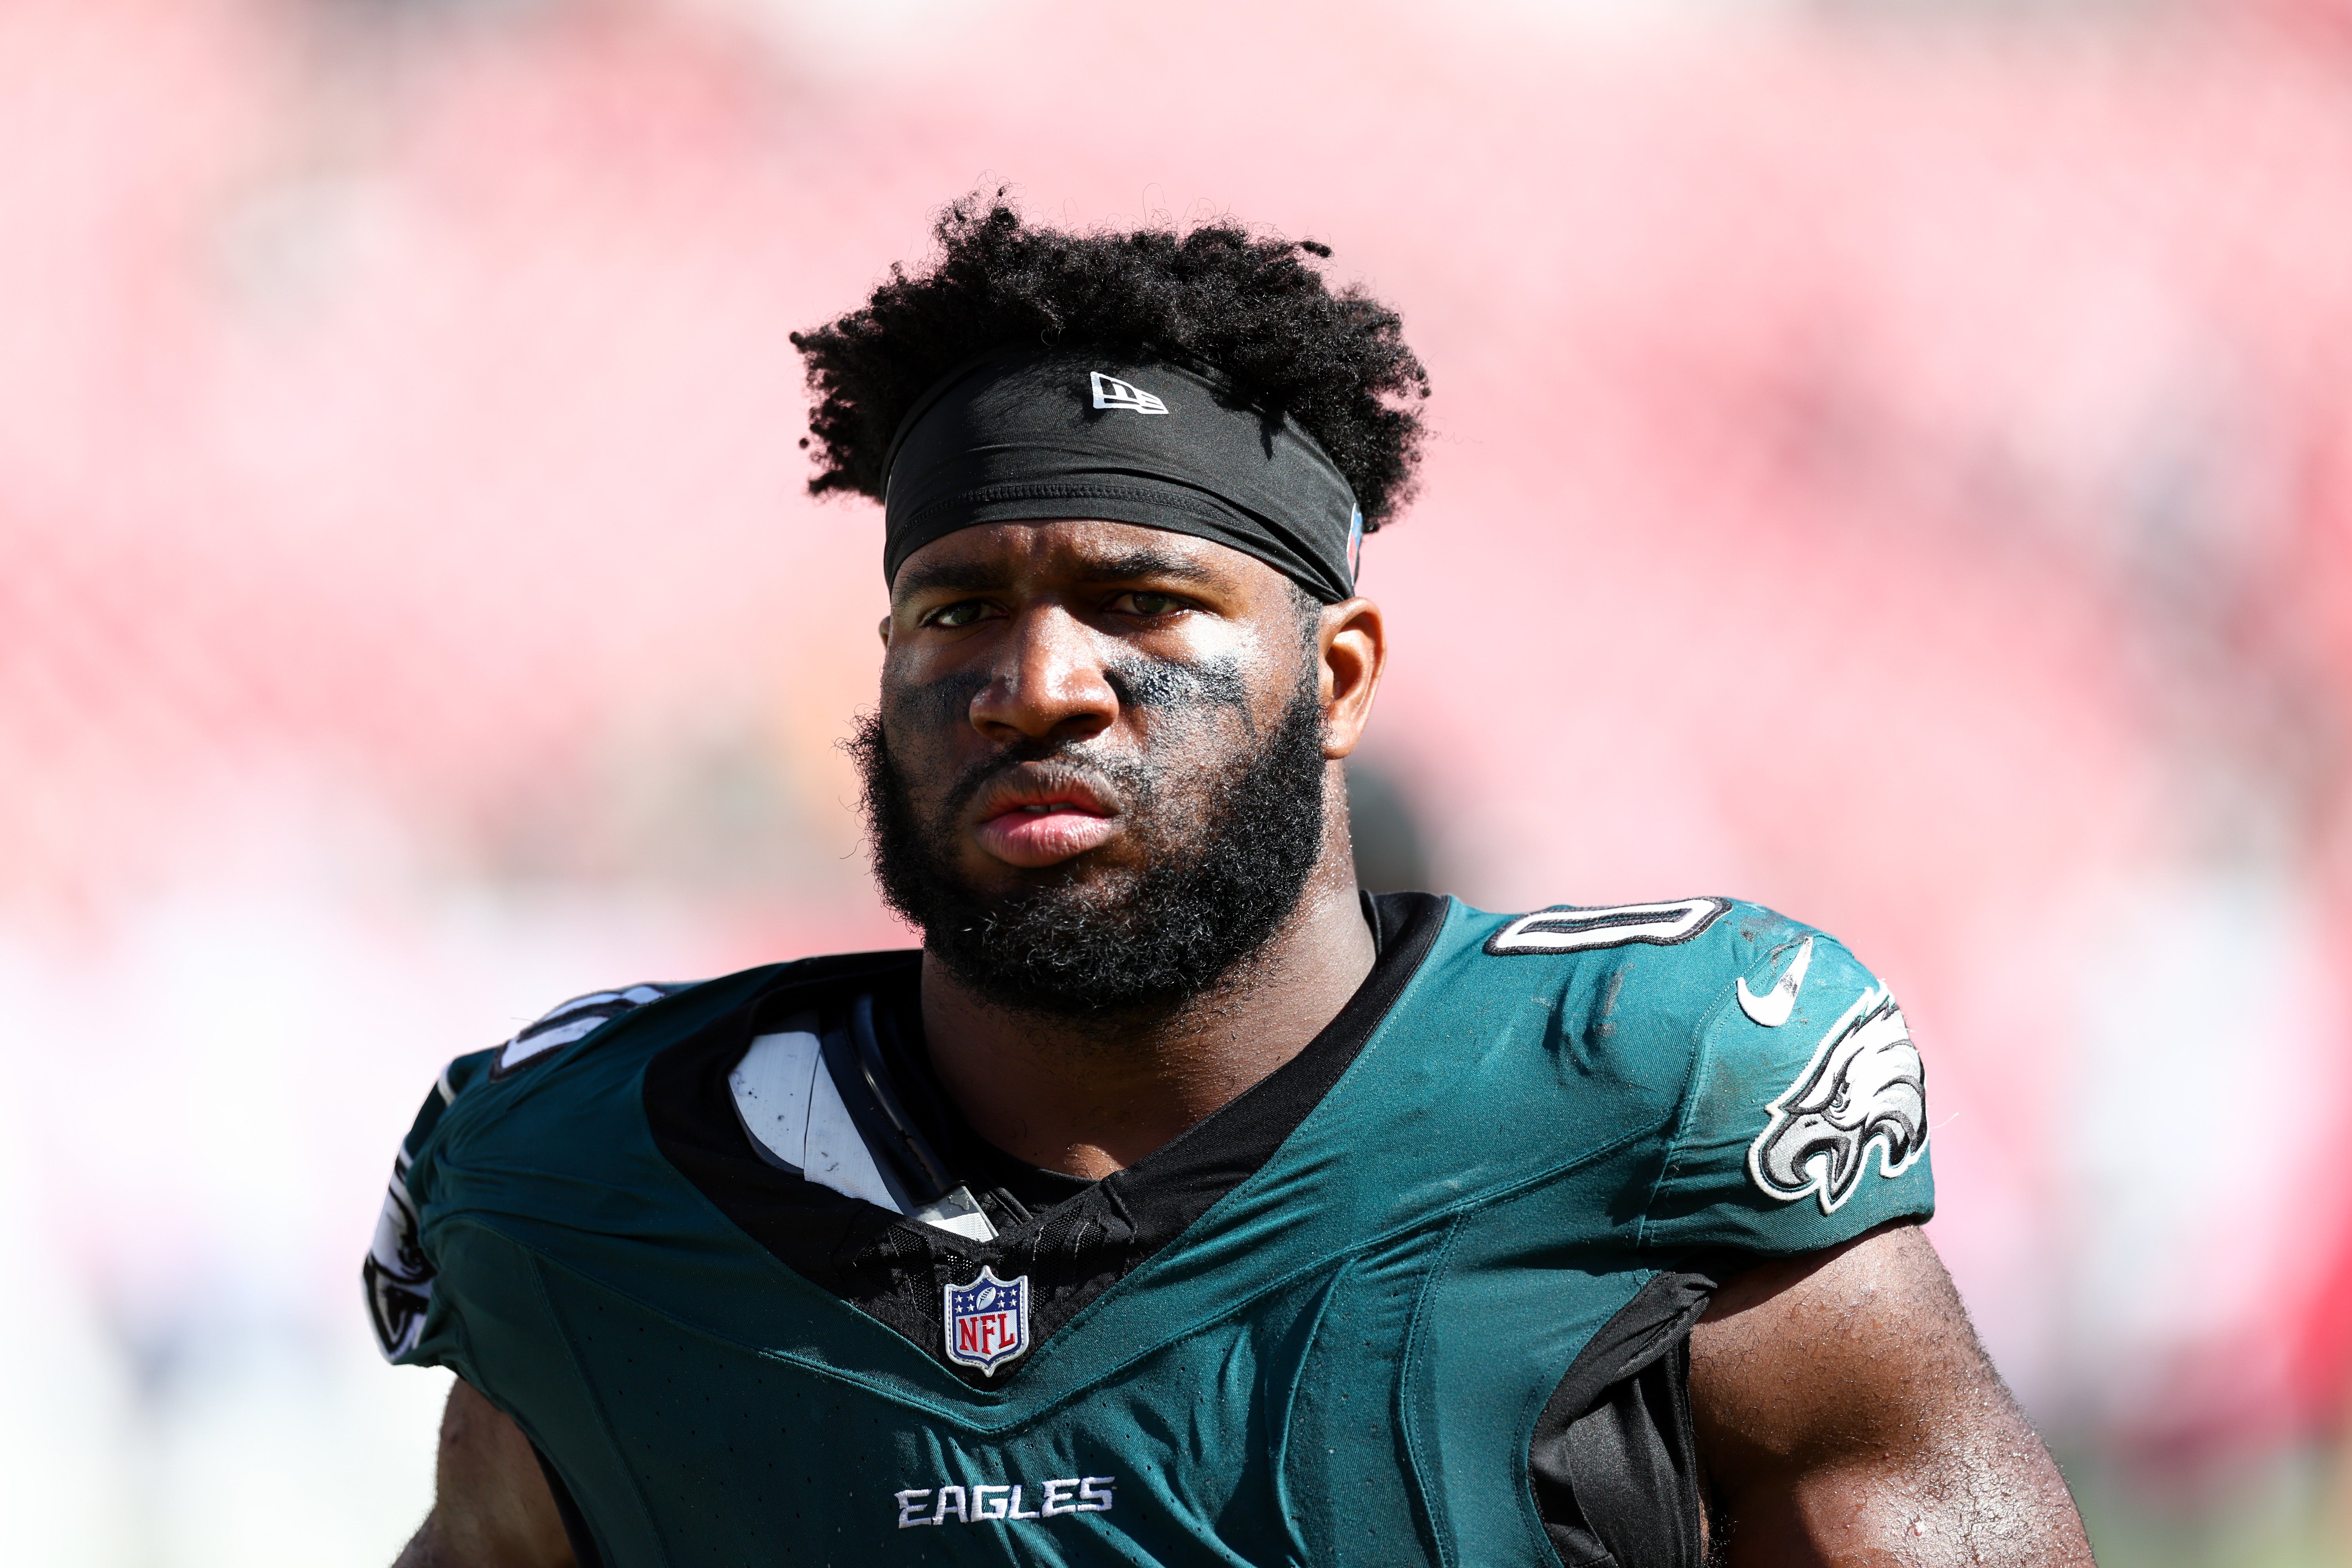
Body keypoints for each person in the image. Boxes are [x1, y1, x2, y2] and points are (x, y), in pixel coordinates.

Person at [367, 196, 2095, 1568]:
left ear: (1337, 677)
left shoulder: (1644, 1098)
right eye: (954, 610)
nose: (1037, 681)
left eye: (1141, 604)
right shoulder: (589, 1182)